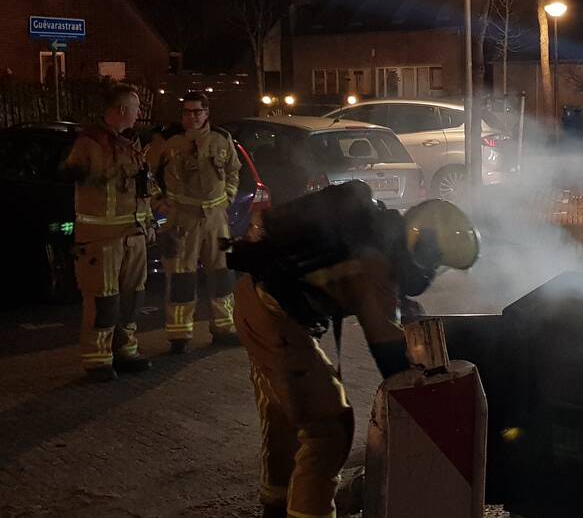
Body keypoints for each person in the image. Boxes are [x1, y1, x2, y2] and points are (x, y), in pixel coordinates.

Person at [228, 181, 478, 518]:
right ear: (421, 246)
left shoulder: (377, 235)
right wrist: (422, 409)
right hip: (273, 317)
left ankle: (277, 503)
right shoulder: (377, 264)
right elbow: (384, 345)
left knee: (288, 411)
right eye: (435, 262)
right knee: (329, 427)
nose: (431, 272)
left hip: (256, 301)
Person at [64, 84, 154, 382]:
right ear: (123, 110)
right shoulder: (89, 143)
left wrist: (149, 223)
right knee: (104, 300)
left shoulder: (131, 143)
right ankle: (97, 360)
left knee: (132, 298)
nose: (140, 113)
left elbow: (143, 189)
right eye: (136, 107)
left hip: (133, 234)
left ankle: (125, 351)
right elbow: (72, 173)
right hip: (102, 238)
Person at [149, 91, 242, 353]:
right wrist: (160, 203)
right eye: (187, 112)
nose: (192, 116)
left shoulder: (222, 140)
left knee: (222, 274)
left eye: (197, 111)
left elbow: (234, 171)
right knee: (181, 276)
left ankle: (224, 328)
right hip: (182, 218)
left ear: (206, 113)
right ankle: (180, 335)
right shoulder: (169, 144)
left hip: (216, 218)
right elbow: (147, 177)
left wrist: (229, 197)